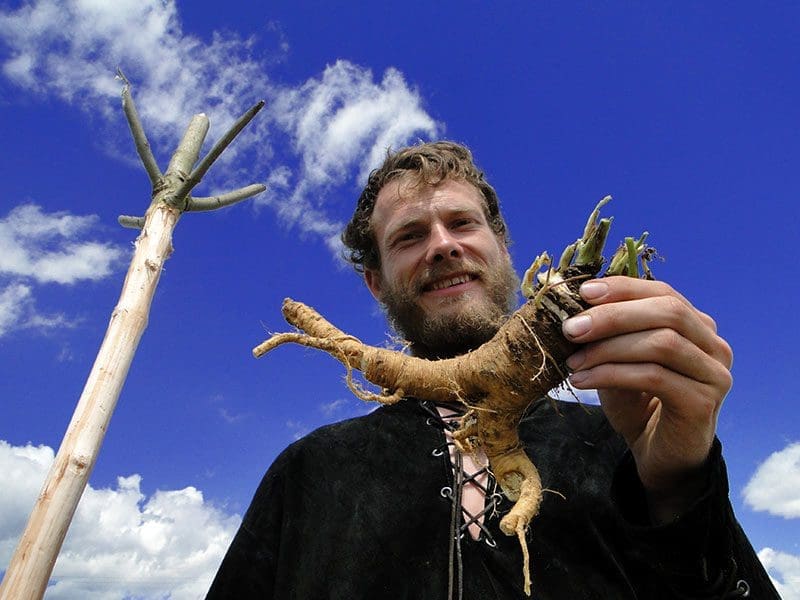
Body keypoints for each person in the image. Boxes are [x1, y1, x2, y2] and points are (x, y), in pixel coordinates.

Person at [207, 142, 779, 599]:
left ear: (503, 248)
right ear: (376, 282)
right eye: (409, 236)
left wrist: (678, 486)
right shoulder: (309, 473)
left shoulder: (628, 448)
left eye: (462, 223)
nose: (442, 246)